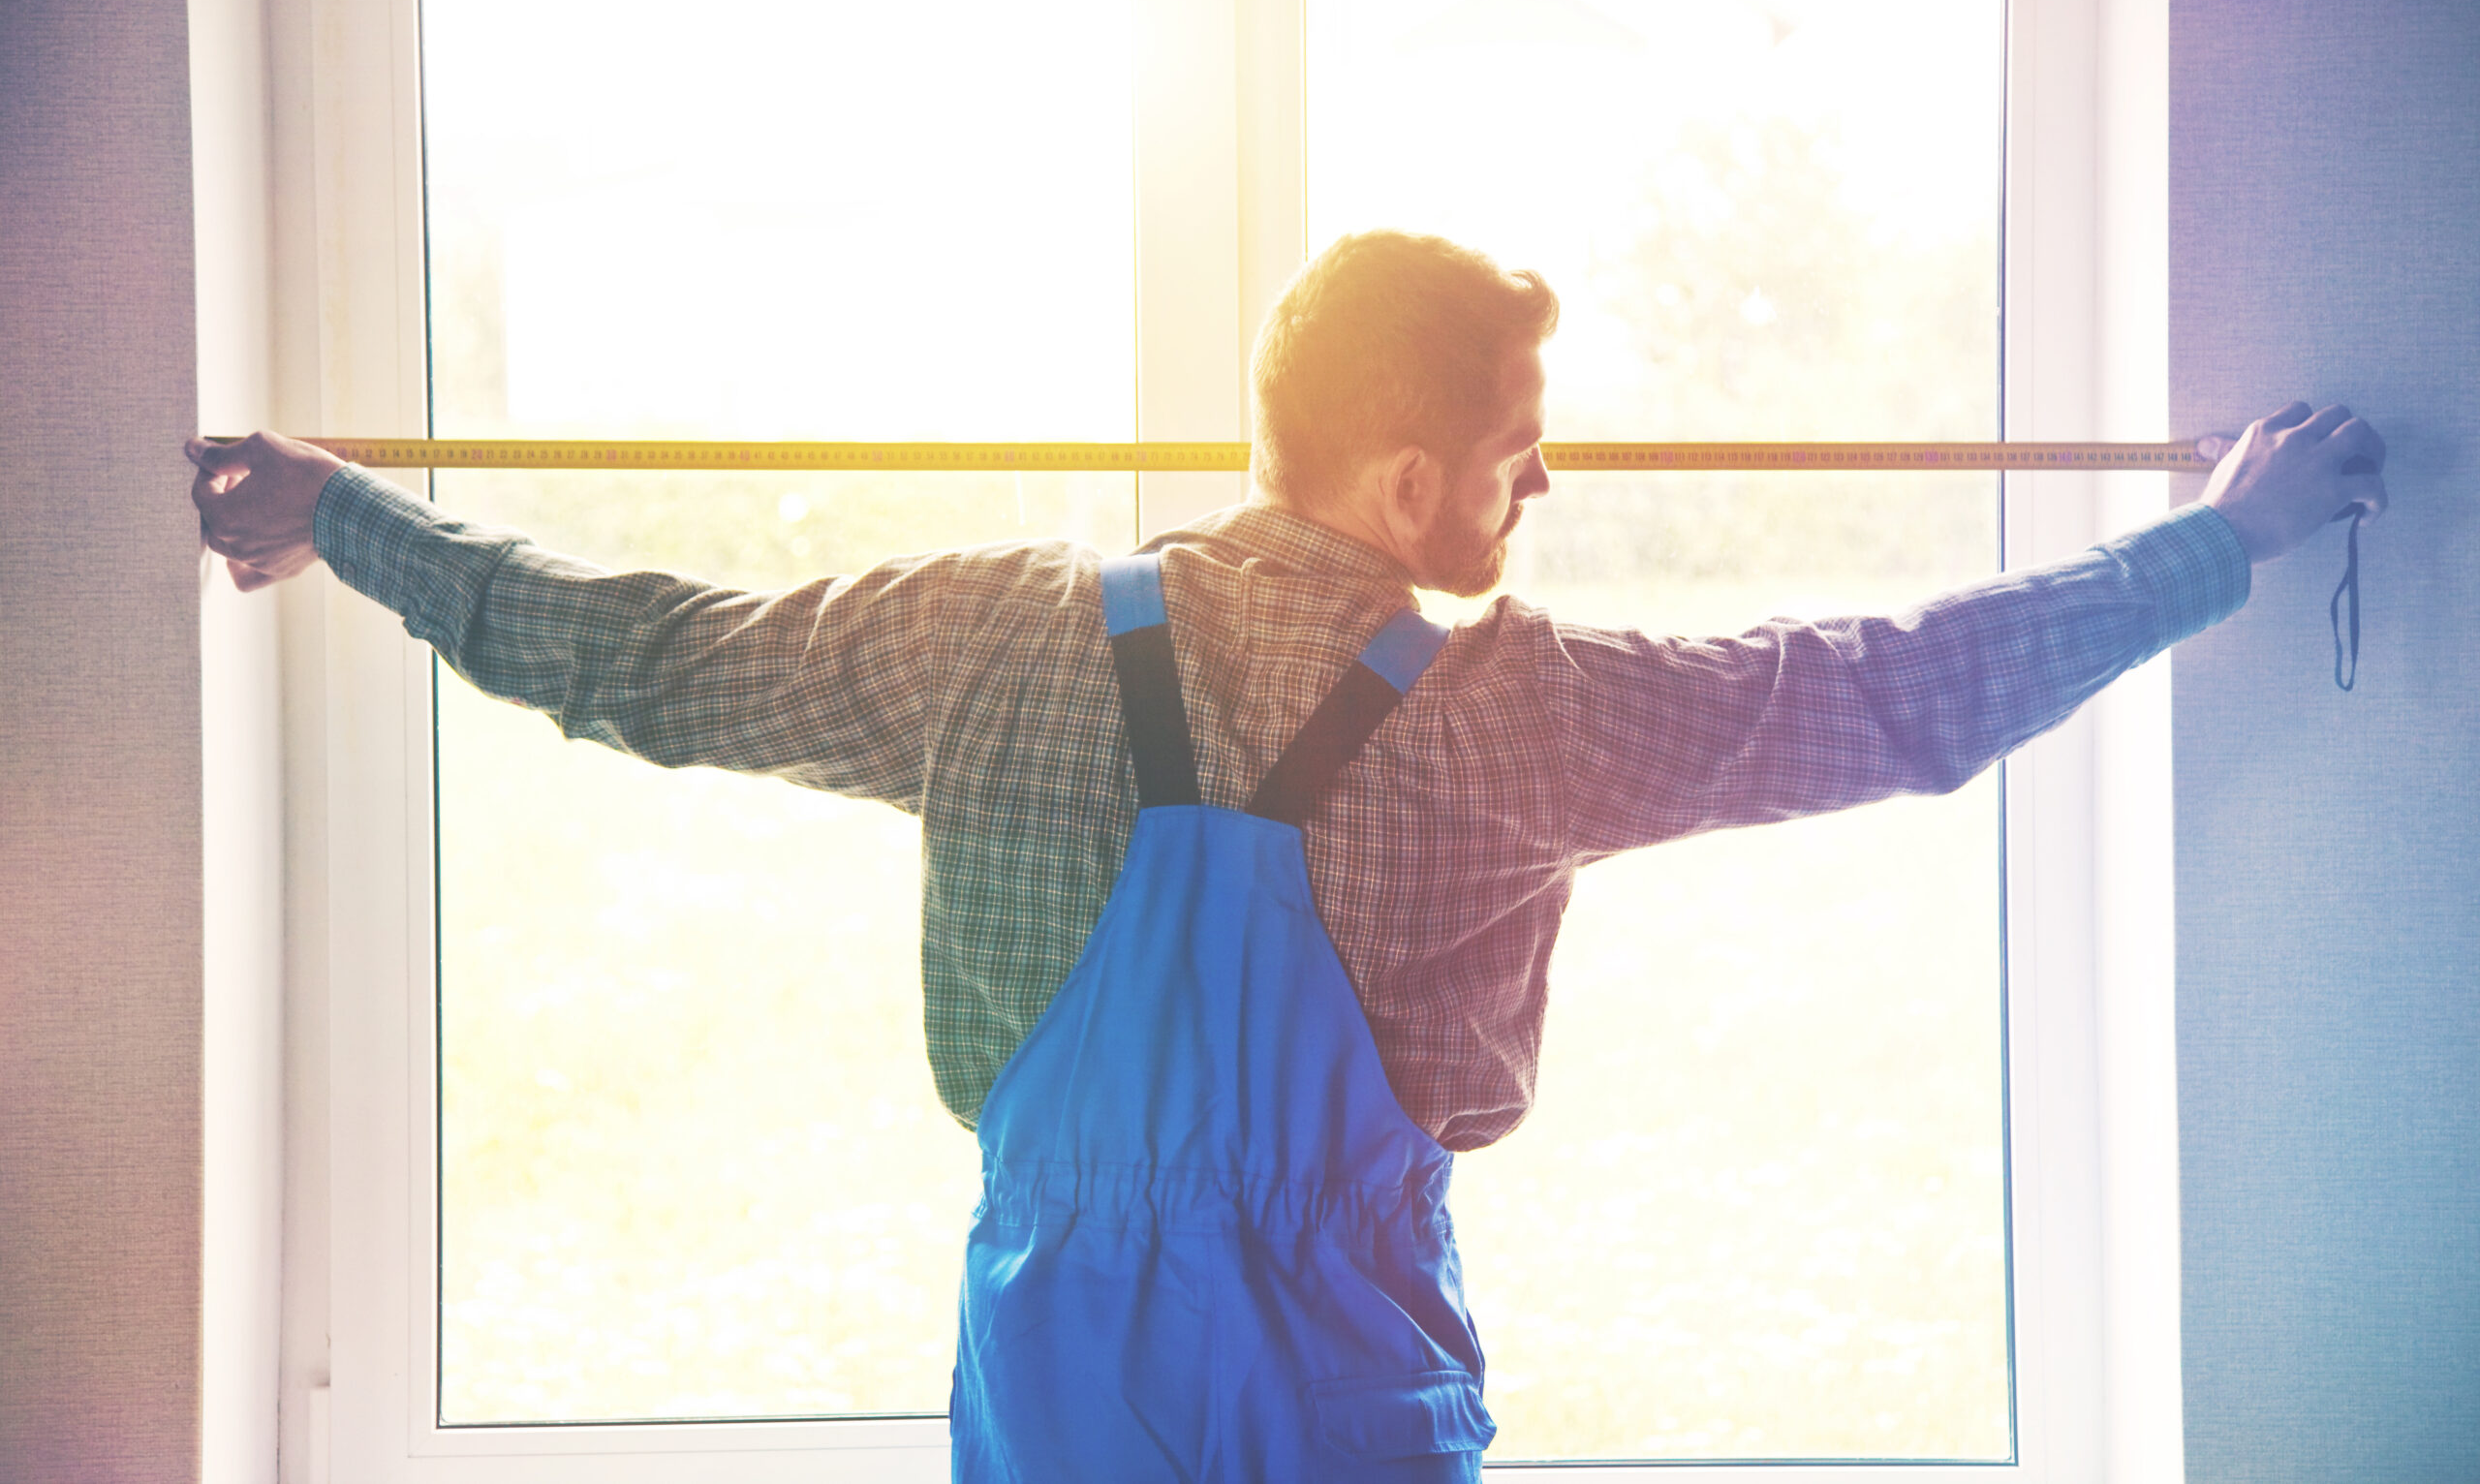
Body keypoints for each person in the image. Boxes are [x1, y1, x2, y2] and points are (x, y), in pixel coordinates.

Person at [190, 230, 2386, 1481]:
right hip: (1346, 1388)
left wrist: (344, 511)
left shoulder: (983, 630)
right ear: (1414, 477)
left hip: (1056, 1389)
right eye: (1518, 464)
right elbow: (1885, 691)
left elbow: (636, 655)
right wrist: (2214, 543)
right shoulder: (1518, 704)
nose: (1539, 505)